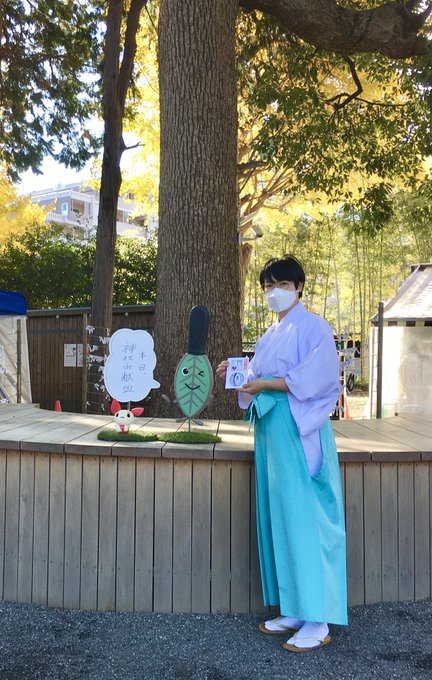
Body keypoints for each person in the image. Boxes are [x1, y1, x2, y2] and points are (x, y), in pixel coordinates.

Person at [216, 255, 347, 653]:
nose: (274, 292)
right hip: (272, 432)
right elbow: (257, 376)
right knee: (281, 516)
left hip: (297, 428)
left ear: (298, 287)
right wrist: (235, 372)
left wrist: (264, 384)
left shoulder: (314, 327)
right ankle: (294, 606)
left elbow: (317, 378)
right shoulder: (272, 333)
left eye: (282, 284)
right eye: (268, 286)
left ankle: (318, 617)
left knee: (305, 517)